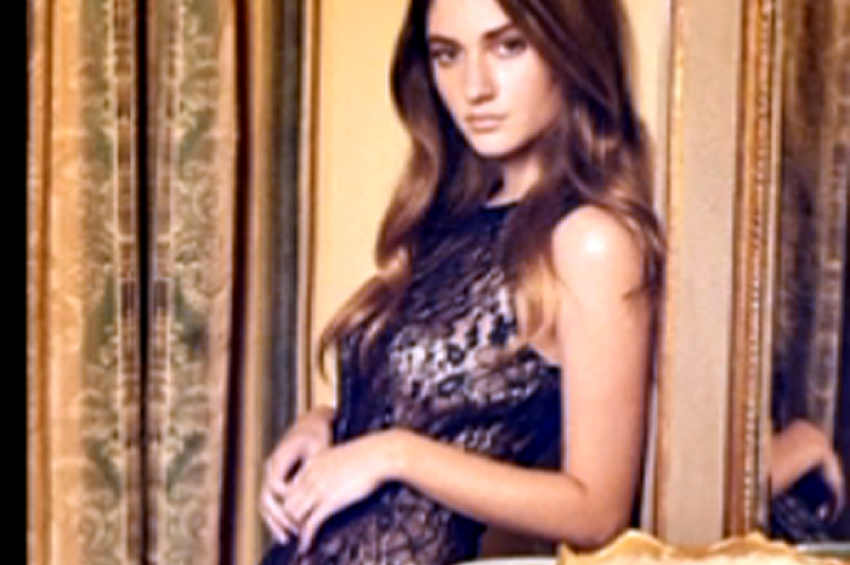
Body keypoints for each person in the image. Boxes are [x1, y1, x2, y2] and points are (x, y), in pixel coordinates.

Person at [259, 0, 664, 563]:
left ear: (571, 49)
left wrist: (393, 454)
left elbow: (597, 512)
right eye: (447, 55)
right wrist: (324, 427)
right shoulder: (447, 220)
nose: (475, 88)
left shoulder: (589, 242)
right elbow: (424, 407)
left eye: (509, 46)